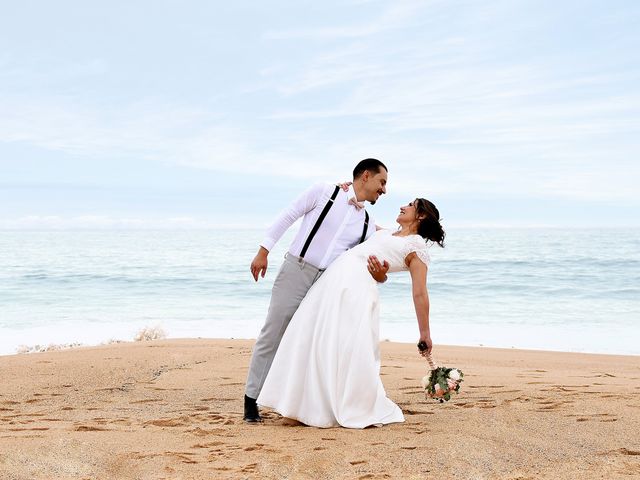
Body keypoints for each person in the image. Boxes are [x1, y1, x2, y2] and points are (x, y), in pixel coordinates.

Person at [257, 198, 445, 428]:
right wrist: (347, 194)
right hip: (332, 281)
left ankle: (337, 406)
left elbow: (420, 293)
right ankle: (302, 407)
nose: (402, 206)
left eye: (410, 205)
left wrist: (424, 333)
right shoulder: (386, 233)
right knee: (313, 338)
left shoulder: (416, 247)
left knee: (344, 345)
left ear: (422, 215)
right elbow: (357, 219)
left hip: (356, 290)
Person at [244, 159, 390, 422]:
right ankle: (250, 399)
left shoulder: (367, 222)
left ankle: (296, 403)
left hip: (326, 285)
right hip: (296, 271)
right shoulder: (324, 191)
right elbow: (289, 214)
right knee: (273, 331)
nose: (384, 190)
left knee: (308, 342)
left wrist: (381, 276)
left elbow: (368, 258)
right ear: (366, 176)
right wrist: (263, 251)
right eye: (382, 182)